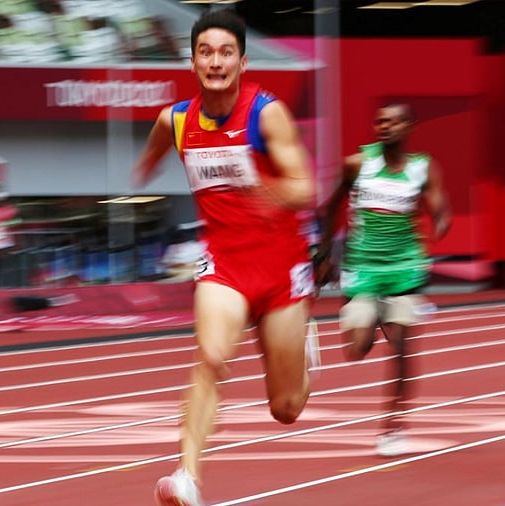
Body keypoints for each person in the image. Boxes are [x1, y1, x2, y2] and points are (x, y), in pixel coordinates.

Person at [131, 9, 316, 506]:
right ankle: (186, 476)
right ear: (192, 61)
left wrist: (271, 193)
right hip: (226, 265)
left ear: (242, 60)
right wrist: (144, 169)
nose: (216, 61)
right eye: (206, 52)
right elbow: (155, 148)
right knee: (210, 358)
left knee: (286, 408)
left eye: (226, 52)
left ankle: (302, 354)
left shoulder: (264, 113)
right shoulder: (175, 120)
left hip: (280, 269)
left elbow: (306, 187)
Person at [316, 103, 451, 457]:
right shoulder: (357, 165)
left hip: (404, 268)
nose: (385, 127)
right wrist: (325, 252)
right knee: (356, 350)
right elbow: (330, 207)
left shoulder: (423, 168)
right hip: (363, 268)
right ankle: (372, 313)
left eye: (393, 121)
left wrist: (440, 219)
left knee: (404, 350)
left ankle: (393, 425)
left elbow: (439, 204)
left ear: (409, 126)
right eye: (379, 121)